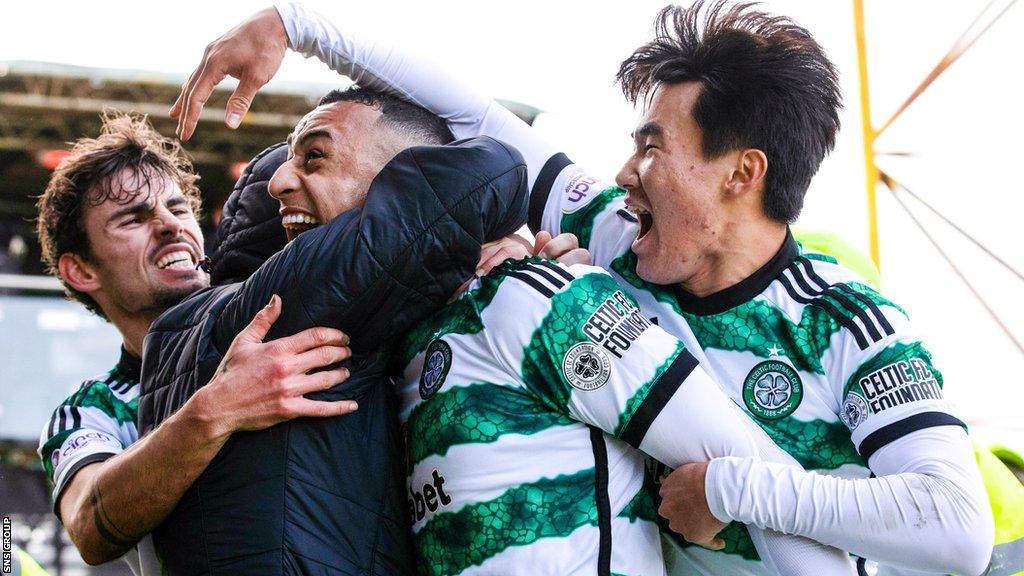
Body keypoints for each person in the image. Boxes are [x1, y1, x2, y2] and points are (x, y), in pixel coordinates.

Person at [173, 2, 995, 575]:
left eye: (653, 148)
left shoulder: (845, 321)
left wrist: (733, 490)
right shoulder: (619, 245)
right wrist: (297, 24)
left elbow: (958, 530)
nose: (625, 173)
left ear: (742, 174)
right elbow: (477, 121)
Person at [139, 87, 534, 574]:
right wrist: (511, 233)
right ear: (405, 185)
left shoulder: (204, 322)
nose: (280, 182)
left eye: (314, 158)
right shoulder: (290, 297)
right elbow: (491, 168)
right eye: (289, 160)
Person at [35, 113, 358, 575]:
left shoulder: (284, 306)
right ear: (81, 270)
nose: (170, 225)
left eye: (177, 207)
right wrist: (217, 409)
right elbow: (88, 524)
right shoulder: (93, 410)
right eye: (133, 218)